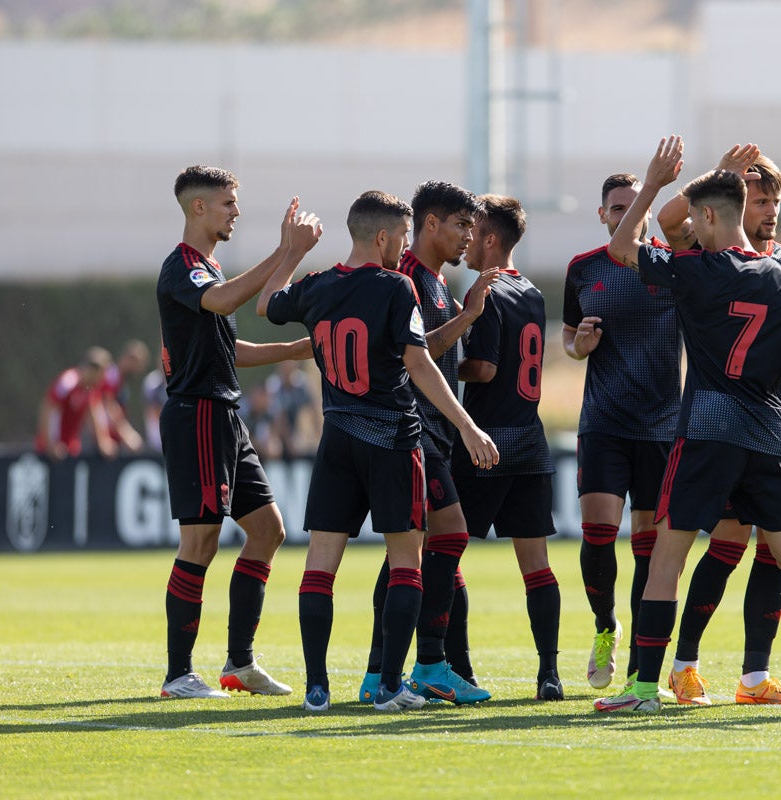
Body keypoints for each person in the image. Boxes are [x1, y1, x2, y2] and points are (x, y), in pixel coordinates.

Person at [594, 136, 781, 715]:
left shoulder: (694, 270)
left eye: (696, 218)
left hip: (706, 431)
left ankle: (645, 689)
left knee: (668, 559)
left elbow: (622, 247)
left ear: (708, 217)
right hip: (772, 434)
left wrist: (654, 183)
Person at [259, 190, 498, 712]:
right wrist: (467, 425)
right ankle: (389, 685)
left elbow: (265, 304)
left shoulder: (318, 284)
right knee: (407, 561)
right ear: (384, 236)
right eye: (403, 237)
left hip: (337, 439)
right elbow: (419, 362)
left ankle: (317, 688)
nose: (405, 247)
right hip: (392, 438)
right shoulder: (396, 286)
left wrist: (292, 250)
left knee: (320, 566)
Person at [155, 164, 322, 700]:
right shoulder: (183, 267)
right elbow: (224, 301)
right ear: (198, 207)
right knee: (200, 540)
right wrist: (285, 251)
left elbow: (230, 349)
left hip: (224, 415)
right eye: (228, 203)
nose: (236, 211)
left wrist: (294, 349)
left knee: (268, 530)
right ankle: (178, 674)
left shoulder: (209, 268)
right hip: (198, 414)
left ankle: (239, 664)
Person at [358, 180, 500, 706]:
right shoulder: (407, 278)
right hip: (411, 429)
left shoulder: (435, 281)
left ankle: (379, 673)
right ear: (430, 223)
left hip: (430, 431)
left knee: (408, 554)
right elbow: (411, 355)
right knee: (450, 535)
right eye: (461, 225)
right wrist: (468, 317)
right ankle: (431, 664)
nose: (469, 237)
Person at [563, 172, 682, 692]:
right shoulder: (583, 268)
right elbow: (569, 336)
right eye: (617, 207)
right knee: (598, 533)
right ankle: (605, 626)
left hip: (662, 426)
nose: (628, 214)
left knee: (649, 549)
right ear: (603, 215)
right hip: (604, 423)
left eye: (636, 205)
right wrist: (579, 346)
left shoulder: (671, 265)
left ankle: (640, 655)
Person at [453, 194, 564, 701]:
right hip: (530, 442)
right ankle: (549, 673)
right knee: (536, 565)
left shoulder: (486, 290)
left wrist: (436, 361)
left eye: (471, 231)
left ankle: (457, 668)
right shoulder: (532, 292)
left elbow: (484, 368)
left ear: (490, 239)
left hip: (486, 441)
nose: (465, 240)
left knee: (443, 553)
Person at [35, 346, 115, 460]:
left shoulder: (90, 389)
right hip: (52, 451)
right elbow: (48, 408)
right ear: (94, 370)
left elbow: (93, 414)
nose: (102, 380)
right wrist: (51, 445)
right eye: (102, 374)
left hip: (70, 448)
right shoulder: (68, 382)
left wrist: (103, 442)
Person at [101, 339, 150, 453]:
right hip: (107, 443)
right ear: (129, 358)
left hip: (115, 442)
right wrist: (127, 434)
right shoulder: (112, 376)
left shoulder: (121, 379)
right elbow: (109, 406)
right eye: (139, 363)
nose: (140, 368)